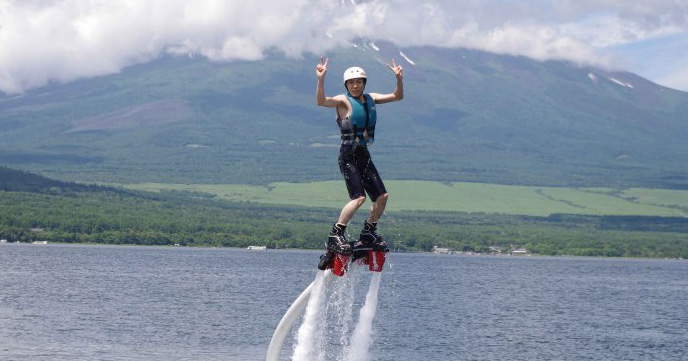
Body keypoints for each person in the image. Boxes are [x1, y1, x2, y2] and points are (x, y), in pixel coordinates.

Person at [315, 56, 404, 256]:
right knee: (359, 198)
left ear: (364, 83)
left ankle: (368, 232)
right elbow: (321, 101)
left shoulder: (372, 98)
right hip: (348, 155)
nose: (355, 86)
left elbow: (397, 96)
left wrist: (399, 78)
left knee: (382, 197)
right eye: (351, 83)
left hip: (364, 154)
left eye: (359, 82)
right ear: (346, 85)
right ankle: (336, 234)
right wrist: (321, 79)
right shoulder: (343, 101)